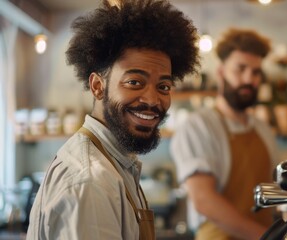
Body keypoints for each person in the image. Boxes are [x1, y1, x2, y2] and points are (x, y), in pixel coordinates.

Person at [26, 0, 199, 239]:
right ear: (98, 86)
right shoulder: (90, 182)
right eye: (134, 82)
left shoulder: (116, 165)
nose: (152, 99)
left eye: (163, 86)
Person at [170, 28, 280, 240]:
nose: (249, 78)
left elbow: (274, 191)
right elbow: (203, 199)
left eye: (256, 72)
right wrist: (265, 237)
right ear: (221, 72)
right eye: (240, 69)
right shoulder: (198, 126)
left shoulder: (263, 129)